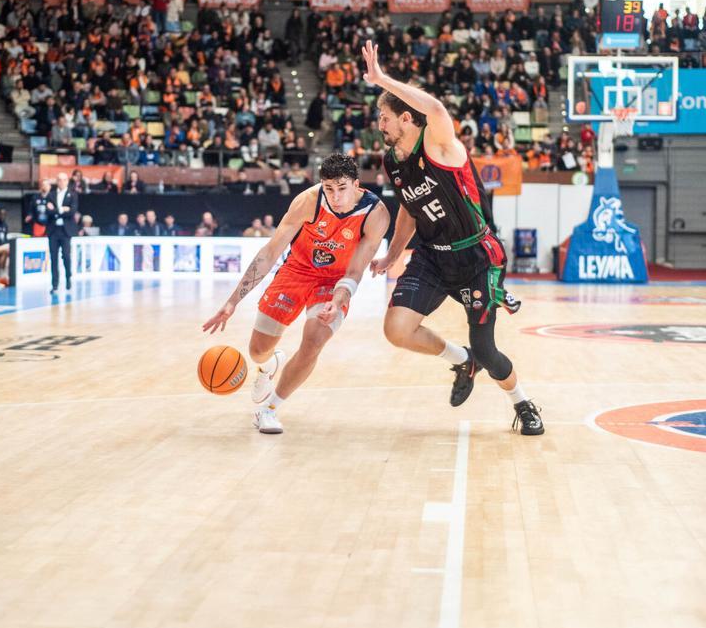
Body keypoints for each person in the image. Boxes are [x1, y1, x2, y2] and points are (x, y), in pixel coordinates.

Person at [359, 41, 542, 435]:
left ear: (406, 117)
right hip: (431, 256)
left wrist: (381, 79)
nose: (380, 124)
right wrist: (393, 255)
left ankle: (522, 402)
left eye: (384, 117)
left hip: (476, 256)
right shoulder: (392, 162)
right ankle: (462, 360)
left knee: (490, 352)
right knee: (396, 330)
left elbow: (437, 110)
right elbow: (409, 208)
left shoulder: (439, 143)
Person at [202, 154, 389, 434]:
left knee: (314, 339)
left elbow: (354, 273)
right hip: (296, 271)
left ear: (356, 185)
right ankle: (268, 365)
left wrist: (337, 302)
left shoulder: (376, 214)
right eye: (329, 188)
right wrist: (232, 302)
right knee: (257, 351)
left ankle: (269, 409)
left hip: (334, 281)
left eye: (341, 188)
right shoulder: (308, 201)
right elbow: (270, 252)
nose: (335, 196)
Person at [47, 172, 78, 291]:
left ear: (67, 181)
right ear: (57, 181)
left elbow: (72, 211)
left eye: (64, 180)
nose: (61, 182)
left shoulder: (73, 195)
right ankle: (54, 284)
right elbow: (48, 211)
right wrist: (62, 209)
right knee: (53, 258)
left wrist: (56, 209)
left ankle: (68, 277)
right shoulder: (51, 194)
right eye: (59, 180)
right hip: (53, 230)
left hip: (66, 231)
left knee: (66, 255)